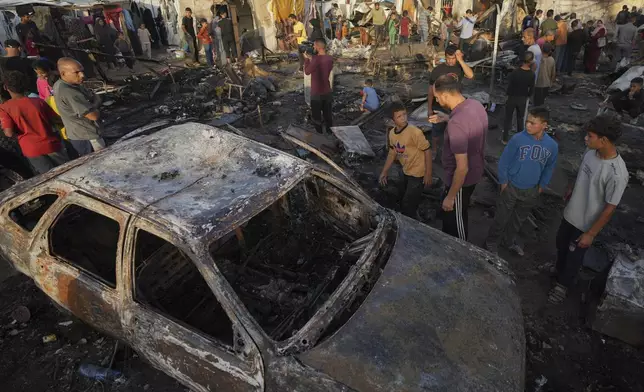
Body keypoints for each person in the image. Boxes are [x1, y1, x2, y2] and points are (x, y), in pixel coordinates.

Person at [548, 114, 628, 304]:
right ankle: (558, 268)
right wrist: (571, 188)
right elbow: (581, 173)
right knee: (561, 242)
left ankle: (563, 284)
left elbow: (610, 207)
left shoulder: (617, 173)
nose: (585, 139)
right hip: (571, 212)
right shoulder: (590, 152)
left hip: (585, 223)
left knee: (575, 256)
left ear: (604, 140)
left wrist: (591, 234)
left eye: (590, 136)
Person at [485, 107, 558, 255]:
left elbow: (549, 167)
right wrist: (504, 182)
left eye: (533, 123)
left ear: (544, 125)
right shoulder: (518, 139)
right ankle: (491, 243)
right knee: (501, 217)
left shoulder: (552, 146)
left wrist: (541, 185)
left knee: (518, 219)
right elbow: (504, 161)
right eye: (527, 122)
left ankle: (508, 242)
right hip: (511, 186)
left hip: (531, 189)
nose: (528, 126)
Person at [429, 74, 487, 240]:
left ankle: (462, 251)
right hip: (476, 170)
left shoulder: (457, 124)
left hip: (462, 180)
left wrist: (451, 196)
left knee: (457, 221)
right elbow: (469, 125)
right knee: (451, 215)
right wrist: (447, 118)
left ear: (446, 95)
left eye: (437, 97)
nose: (438, 101)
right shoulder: (475, 105)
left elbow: (462, 167)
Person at [0, 70, 68, 174]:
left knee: (50, 178)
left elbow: (9, 133)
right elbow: (58, 120)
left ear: (6, 87)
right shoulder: (38, 101)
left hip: (31, 149)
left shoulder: (4, 108)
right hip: (51, 144)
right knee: (67, 172)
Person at [379, 101, 432, 218]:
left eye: (404, 114)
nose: (403, 118)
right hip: (406, 170)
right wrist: (384, 171)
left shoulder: (415, 132)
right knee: (403, 195)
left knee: (408, 204)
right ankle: (413, 212)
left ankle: (413, 223)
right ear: (392, 120)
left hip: (418, 173)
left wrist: (428, 173)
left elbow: (427, 150)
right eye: (399, 116)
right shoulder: (392, 133)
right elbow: (392, 153)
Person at [426, 45, 474, 157]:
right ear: (445, 56)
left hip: (455, 106)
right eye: (448, 58)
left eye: (453, 58)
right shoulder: (438, 70)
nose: (451, 61)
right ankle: (434, 150)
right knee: (436, 130)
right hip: (439, 106)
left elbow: (471, 75)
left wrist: (460, 60)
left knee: (454, 129)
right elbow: (430, 91)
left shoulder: (459, 67)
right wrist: (429, 109)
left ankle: (451, 151)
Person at [54, 58, 105, 156]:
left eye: (82, 71)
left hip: (77, 135)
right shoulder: (69, 92)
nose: (82, 75)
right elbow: (93, 115)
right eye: (76, 72)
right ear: (63, 73)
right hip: (87, 137)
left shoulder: (59, 84)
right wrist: (98, 101)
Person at [503, 51, 535, 144]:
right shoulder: (531, 74)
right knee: (520, 119)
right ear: (530, 61)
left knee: (508, 118)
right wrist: (528, 95)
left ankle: (505, 139)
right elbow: (531, 89)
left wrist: (507, 95)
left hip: (512, 97)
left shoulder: (515, 72)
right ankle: (520, 139)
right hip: (522, 99)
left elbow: (510, 86)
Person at [304, 39, 333, 134]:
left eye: (314, 46)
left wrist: (307, 60)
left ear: (318, 47)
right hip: (327, 91)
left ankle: (319, 134)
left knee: (316, 116)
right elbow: (322, 65)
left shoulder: (316, 59)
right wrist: (312, 59)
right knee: (327, 115)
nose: (313, 47)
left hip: (317, 92)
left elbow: (307, 72)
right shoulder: (330, 58)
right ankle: (330, 132)